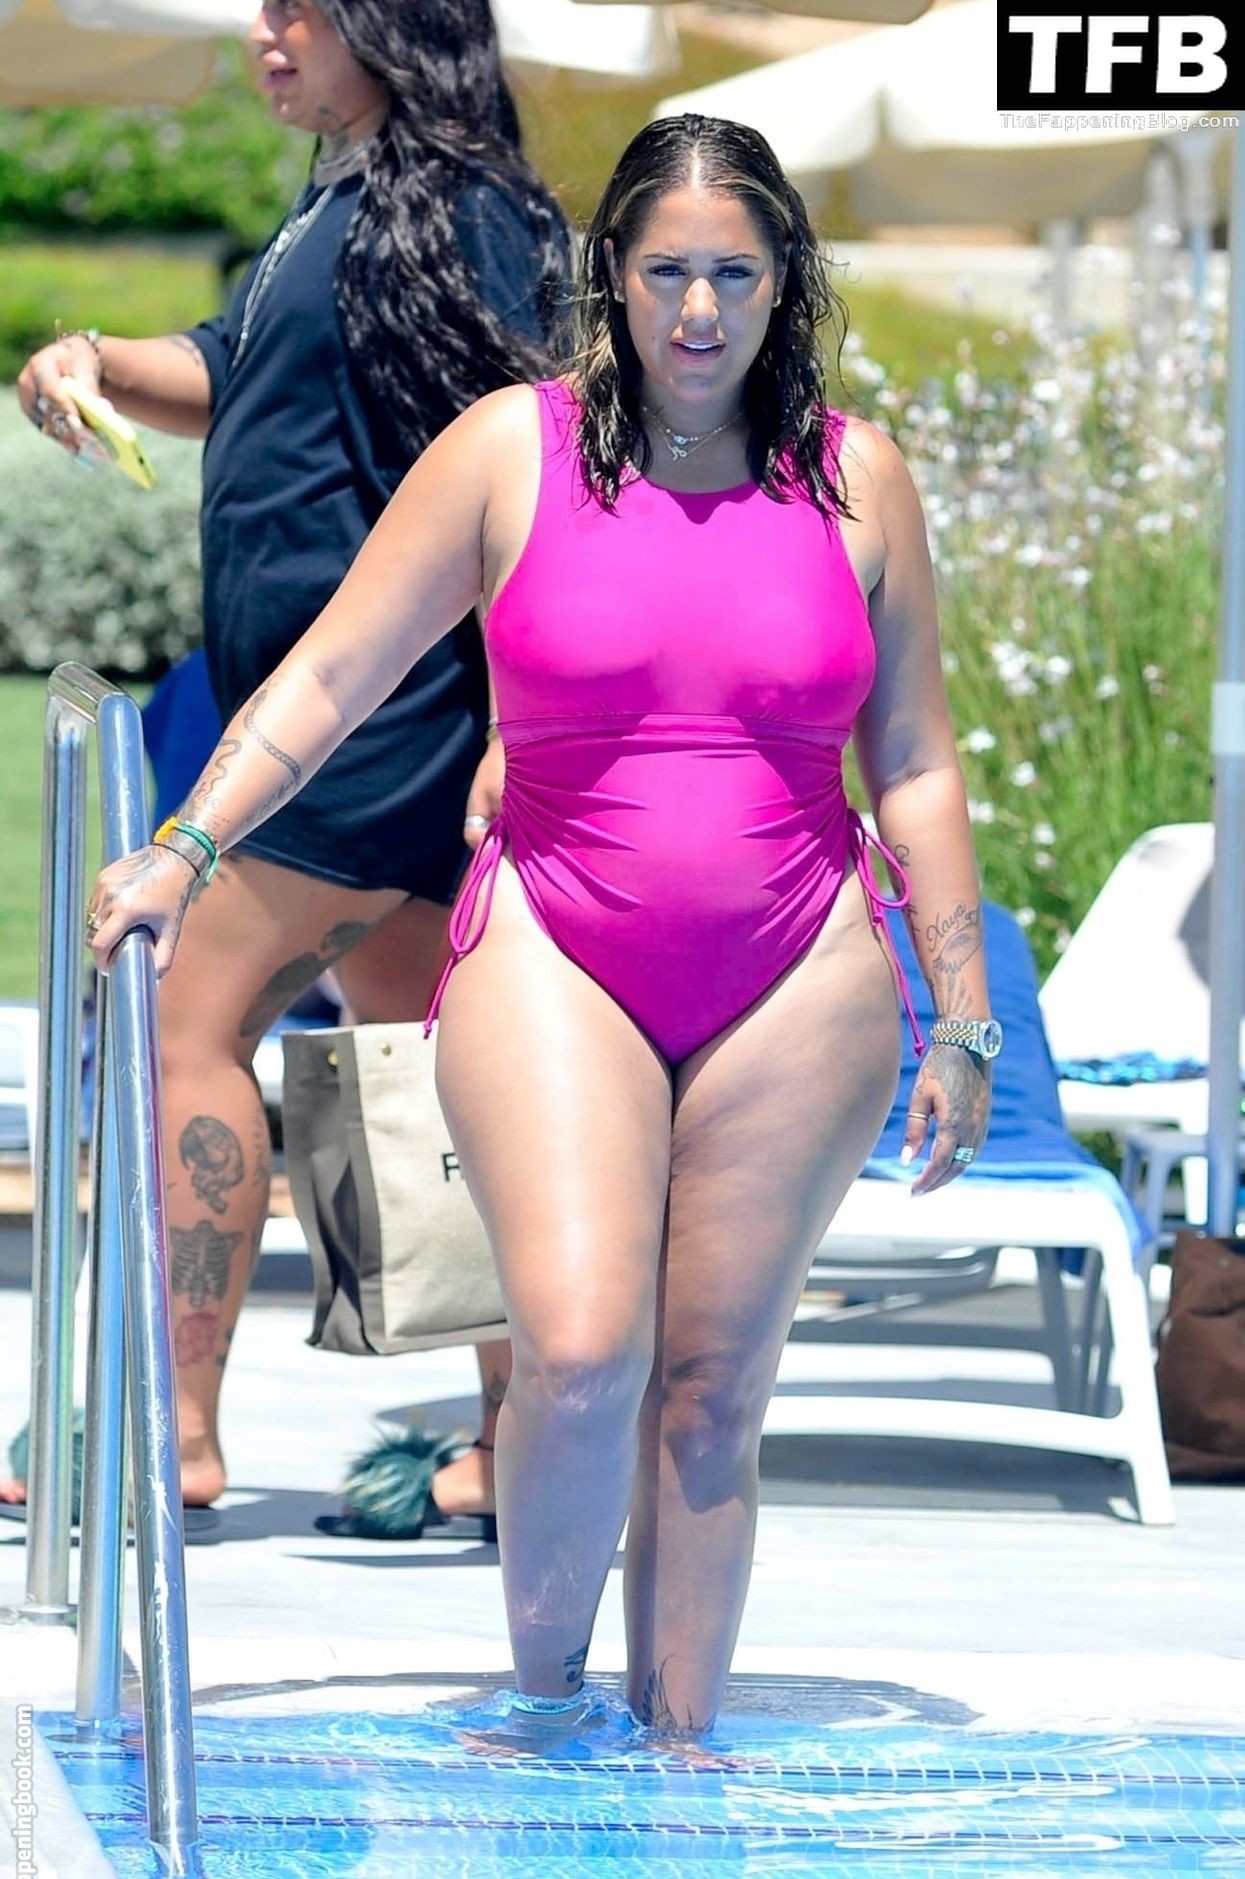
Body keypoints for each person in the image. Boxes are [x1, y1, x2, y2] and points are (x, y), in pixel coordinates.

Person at [83, 112, 996, 1740]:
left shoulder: (857, 477)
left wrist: (963, 1017)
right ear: (612, 277)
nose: (699, 311)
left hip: (800, 962)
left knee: (711, 1392)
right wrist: (185, 847)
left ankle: (679, 1765)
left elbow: (915, 762)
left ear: (785, 281)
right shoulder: (511, 450)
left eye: (735, 274)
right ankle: (545, 1716)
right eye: (668, 272)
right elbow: (329, 675)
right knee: (576, 1352)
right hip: (557, 940)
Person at [12, 0, 568, 1522]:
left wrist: (515, 724)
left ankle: (168, 1428)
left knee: (178, 1020)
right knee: (443, 1073)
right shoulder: (351, 192)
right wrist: (94, 361)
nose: (268, 33)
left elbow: (537, 462)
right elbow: (236, 369)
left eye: (301, 9)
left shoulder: (464, 209)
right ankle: (521, 1447)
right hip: (344, 713)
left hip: (382, 715)